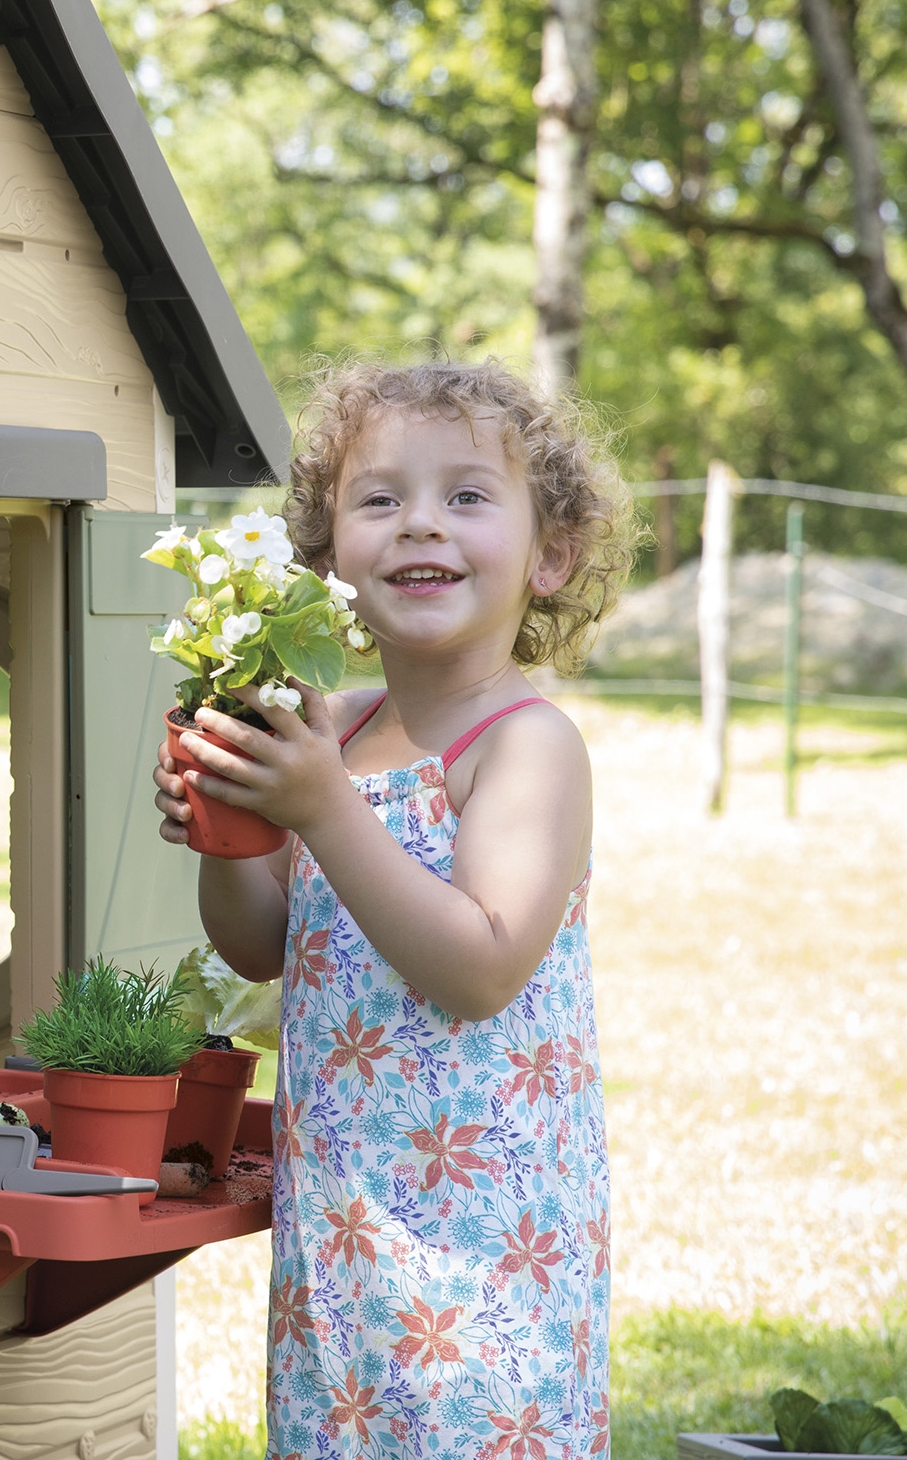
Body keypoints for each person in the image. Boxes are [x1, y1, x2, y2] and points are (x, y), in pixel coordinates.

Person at [154, 359, 634, 1460]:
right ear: (326, 557)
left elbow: (480, 968)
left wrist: (321, 807)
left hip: (488, 1249)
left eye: (466, 496)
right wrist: (228, 831)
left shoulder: (527, 746)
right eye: (379, 498)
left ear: (551, 555)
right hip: (347, 1237)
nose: (421, 523)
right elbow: (261, 945)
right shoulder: (340, 726)